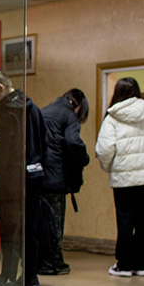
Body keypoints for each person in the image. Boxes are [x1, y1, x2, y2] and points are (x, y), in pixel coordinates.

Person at [96, 78, 144, 277]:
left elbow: (104, 149)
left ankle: (124, 265)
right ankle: (143, 265)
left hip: (123, 178)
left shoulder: (112, 117)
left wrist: (109, 168)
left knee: (125, 221)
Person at [0, 70, 46, 286]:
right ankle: (30, 277)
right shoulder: (33, 108)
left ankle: (6, 277)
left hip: (11, 182)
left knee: (9, 232)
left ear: (0, 87)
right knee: (29, 229)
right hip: (33, 177)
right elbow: (43, 143)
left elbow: (3, 154)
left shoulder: (7, 113)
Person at [37, 89, 90, 275]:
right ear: (78, 106)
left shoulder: (43, 111)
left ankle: (40, 261)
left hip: (38, 176)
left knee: (41, 222)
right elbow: (73, 142)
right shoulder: (69, 116)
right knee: (56, 223)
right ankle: (54, 262)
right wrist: (84, 159)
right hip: (56, 178)